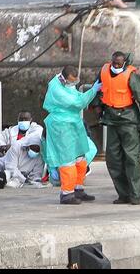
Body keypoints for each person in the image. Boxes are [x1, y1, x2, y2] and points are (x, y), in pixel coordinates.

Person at [42, 65, 102, 205]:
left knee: (81, 158)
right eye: (72, 81)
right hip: (61, 125)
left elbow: (76, 95)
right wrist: (93, 90)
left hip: (73, 123)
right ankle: (67, 194)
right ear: (64, 78)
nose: (74, 84)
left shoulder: (65, 83)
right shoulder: (57, 89)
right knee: (67, 159)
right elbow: (78, 102)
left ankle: (78, 189)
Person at [92, 51, 140, 205]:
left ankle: (135, 196)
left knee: (131, 158)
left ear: (124, 63)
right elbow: (98, 88)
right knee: (113, 159)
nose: (115, 66)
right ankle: (123, 194)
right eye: (114, 62)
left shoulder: (131, 75)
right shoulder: (103, 71)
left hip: (128, 120)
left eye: (119, 64)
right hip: (111, 120)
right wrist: (96, 105)